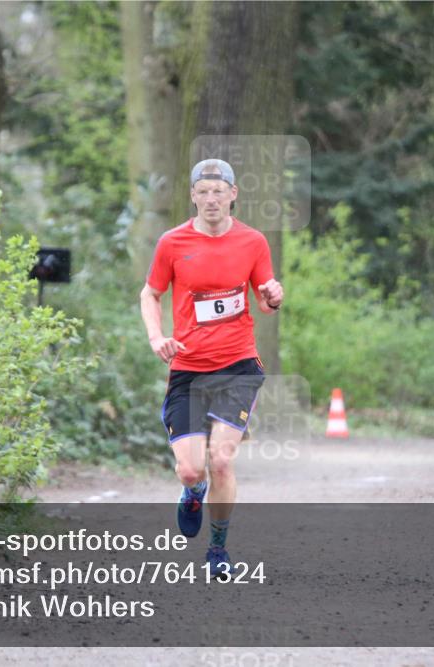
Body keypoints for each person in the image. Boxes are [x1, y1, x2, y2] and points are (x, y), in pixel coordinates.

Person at [139, 158, 284, 578]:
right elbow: (150, 293)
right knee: (191, 468)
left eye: (219, 191)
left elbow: (264, 300)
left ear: (233, 194)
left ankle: (218, 550)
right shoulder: (172, 242)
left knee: (221, 460)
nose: (211, 199)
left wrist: (274, 295)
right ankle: (192, 490)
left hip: (238, 365)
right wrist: (156, 337)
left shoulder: (253, 242)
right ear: (193, 197)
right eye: (203, 192)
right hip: (188, 368)